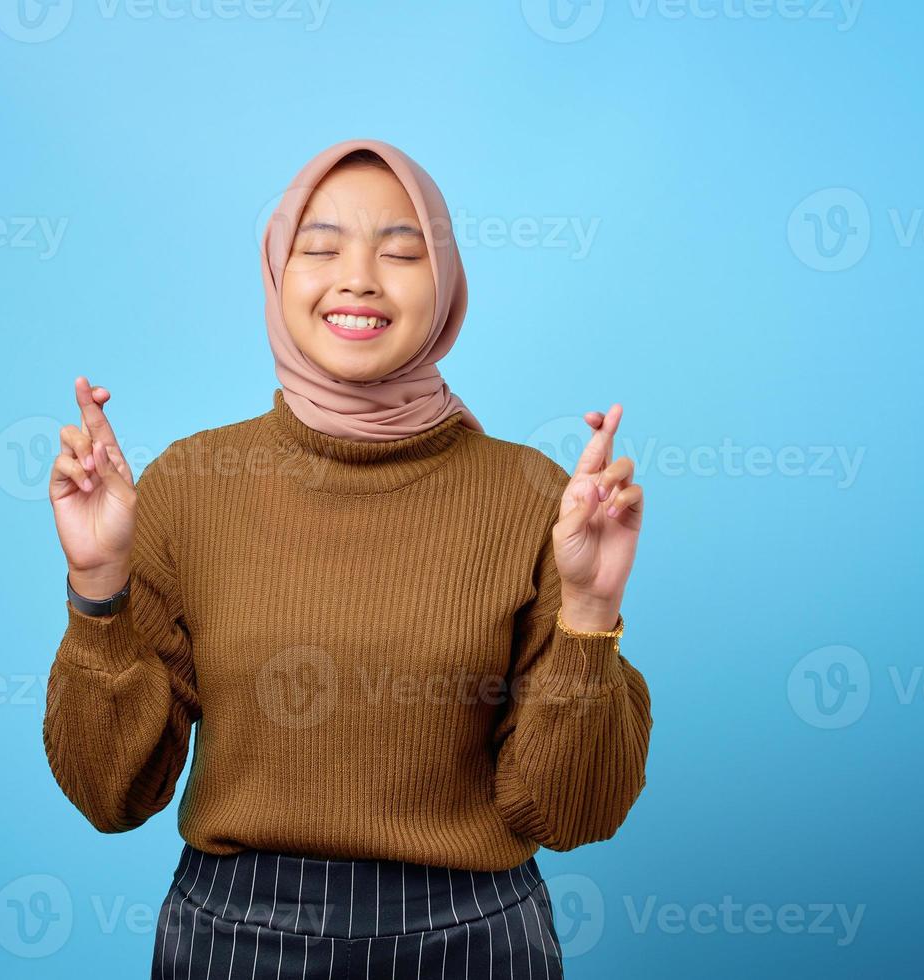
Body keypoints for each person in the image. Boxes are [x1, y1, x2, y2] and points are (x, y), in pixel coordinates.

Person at [42, 138, 653, 978]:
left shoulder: (536, 495)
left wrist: (589, 613)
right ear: (274, 273)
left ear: (445, 285)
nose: (359, 277)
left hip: (472, 939)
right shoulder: (189, 483)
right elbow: (110, 792)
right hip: (235, 940)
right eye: (320, 247)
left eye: (401, 251)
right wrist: (97, 587)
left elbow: (572, 811)